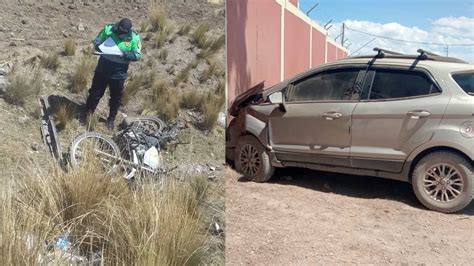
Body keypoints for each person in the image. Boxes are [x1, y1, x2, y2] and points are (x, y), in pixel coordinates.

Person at [84, 18, 142, 129]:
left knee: (116, 98)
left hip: (119, 72)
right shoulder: (108, 29)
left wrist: (125, 54)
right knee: (95, 92)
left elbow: (137, 55)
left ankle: (111, 119)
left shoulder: (134, 37)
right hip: (103, 67)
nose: (121, 33)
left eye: (124, 32)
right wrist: (98, 45)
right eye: (120, 30)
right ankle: (88, 113)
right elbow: (97, 40)